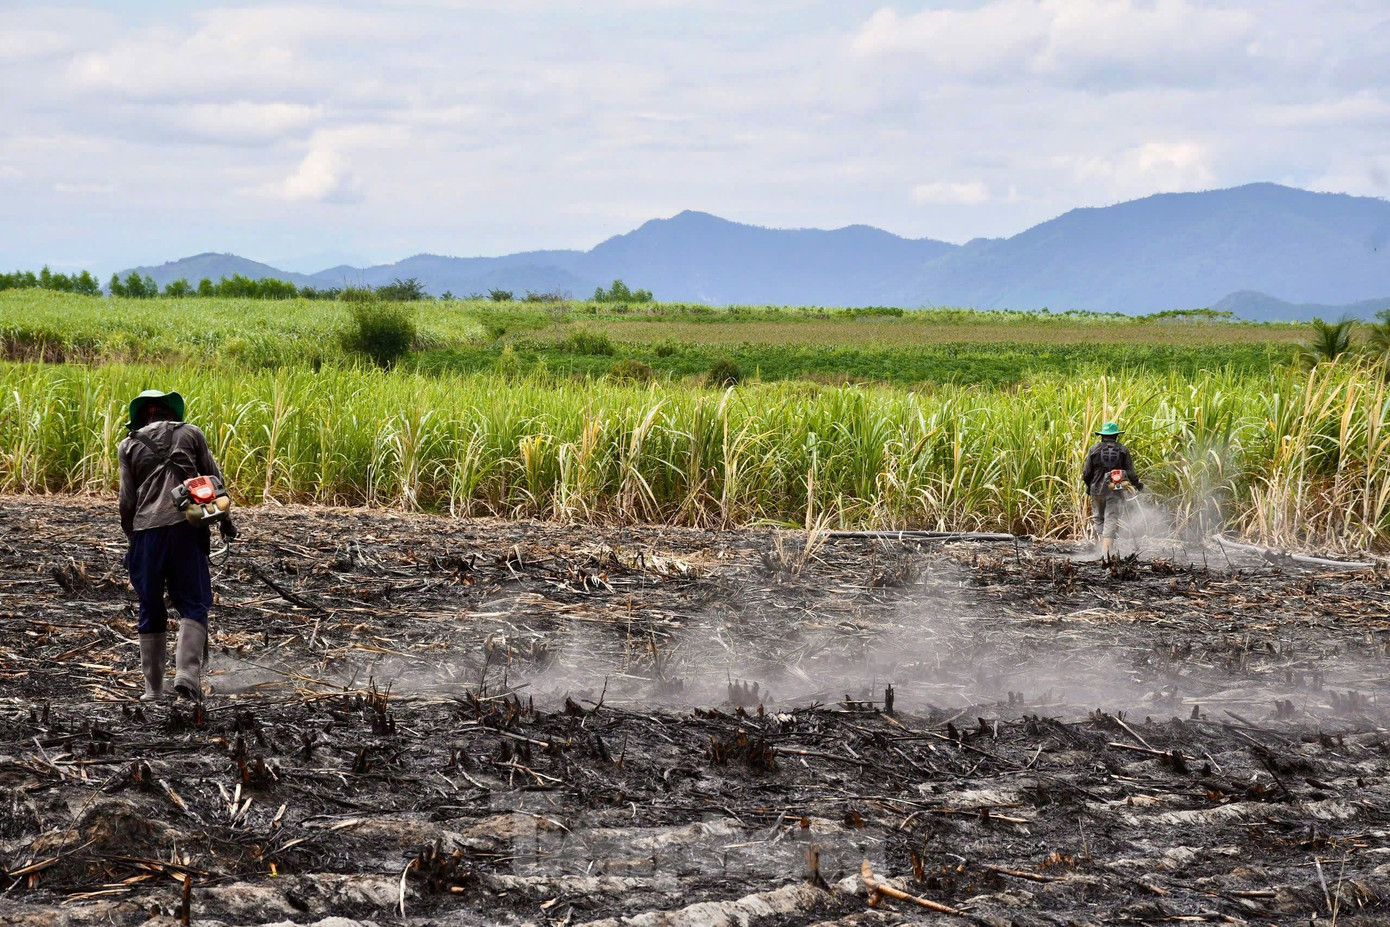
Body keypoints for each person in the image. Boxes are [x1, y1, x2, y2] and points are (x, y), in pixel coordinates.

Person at [118, 390, 236, 701]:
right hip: (186, 527)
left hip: (146, 534)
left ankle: (153, 690)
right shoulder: (191, 433)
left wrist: (132, 540)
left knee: (151, 606)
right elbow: (214, 480)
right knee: (194, 601)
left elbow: (126, 501)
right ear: (172, 412)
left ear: (142, 416)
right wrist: (226, 521)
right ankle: (186, 675)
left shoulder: (128, 445)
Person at [1081, 421, 1142, 560]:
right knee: (1111, 519)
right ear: (1116, 436)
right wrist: (1138, 485)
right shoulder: (1123, 450)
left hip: (1096, 490)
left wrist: (1088, 487)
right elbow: (1130, 473)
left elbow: (1086, 473)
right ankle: (1106, 553)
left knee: (1098, 518)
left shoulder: (1093, 449)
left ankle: (1102, 551)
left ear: (1103, 436)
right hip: (1114, 490)